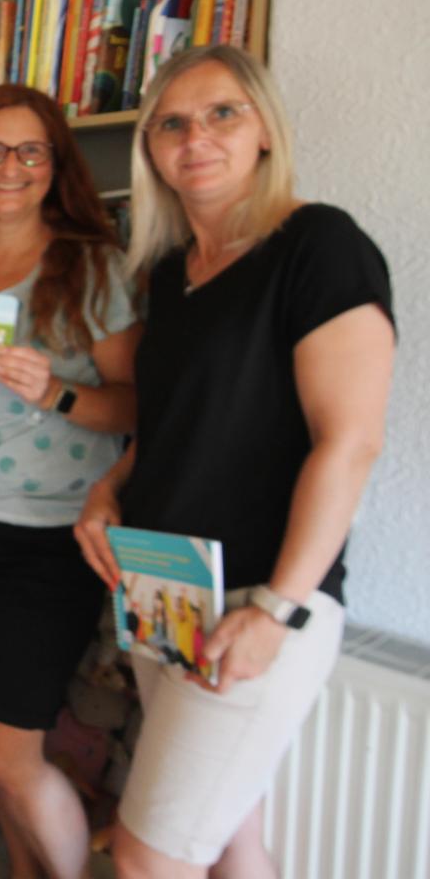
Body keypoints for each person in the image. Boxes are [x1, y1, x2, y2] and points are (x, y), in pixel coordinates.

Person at [75, 44, 393, 878]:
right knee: (228, 840)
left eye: (223, 114)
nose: (197, 138)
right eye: (172, 123)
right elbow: (172, 424)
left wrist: (280, 609)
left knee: (147, 855)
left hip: (259, 598)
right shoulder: (173, 274)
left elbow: (349, 442)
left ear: (264, 131)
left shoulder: (318, 246)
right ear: (151, 149)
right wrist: (106, 493)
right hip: (166, 587)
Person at [0, 83, 140, 879]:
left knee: (1, 747)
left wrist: (56, 391)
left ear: (55, 165)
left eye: (30, 150)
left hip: (48, 534)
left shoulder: (93, 266)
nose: (10, 167)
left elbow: (139, 407)